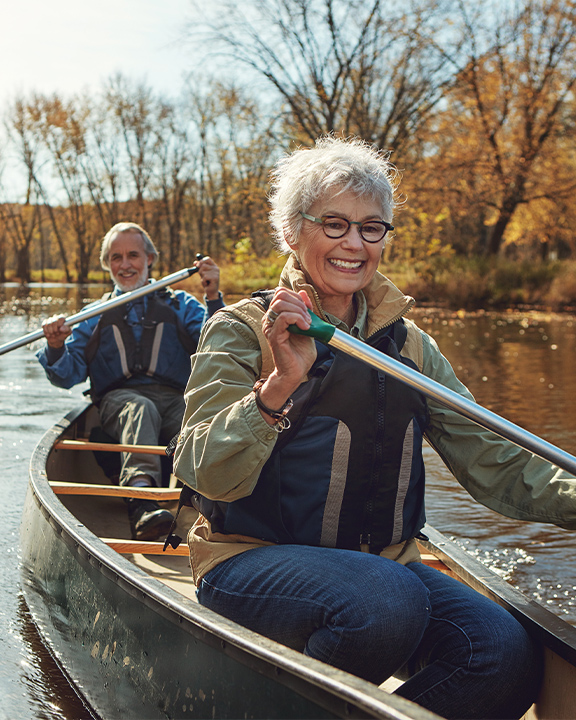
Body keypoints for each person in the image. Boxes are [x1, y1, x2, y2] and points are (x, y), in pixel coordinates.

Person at [171, 136, 576, 719]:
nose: (354, 244)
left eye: (372, 228)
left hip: (387, 569)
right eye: (334, 224)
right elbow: (202, 468)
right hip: (252, 563)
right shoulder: (241, 330)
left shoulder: (410, 346)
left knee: (503, 655)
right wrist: (278, 388)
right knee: (386, 602)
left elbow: (496, 461)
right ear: (292, 232)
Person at [38, 221, 224, 542]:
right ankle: (142, 501)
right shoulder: (93, 315)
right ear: (107, 265)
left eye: (133, 255)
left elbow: (219, 349)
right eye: (116, 257)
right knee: (140, 408)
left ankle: (211, 501)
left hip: (174, 400)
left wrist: (212, 296)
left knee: (197, 415)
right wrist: (55, 346)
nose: (125, 265)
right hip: (118, 403)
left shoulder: (182, 306)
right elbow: (66, 375)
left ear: (149, 259)